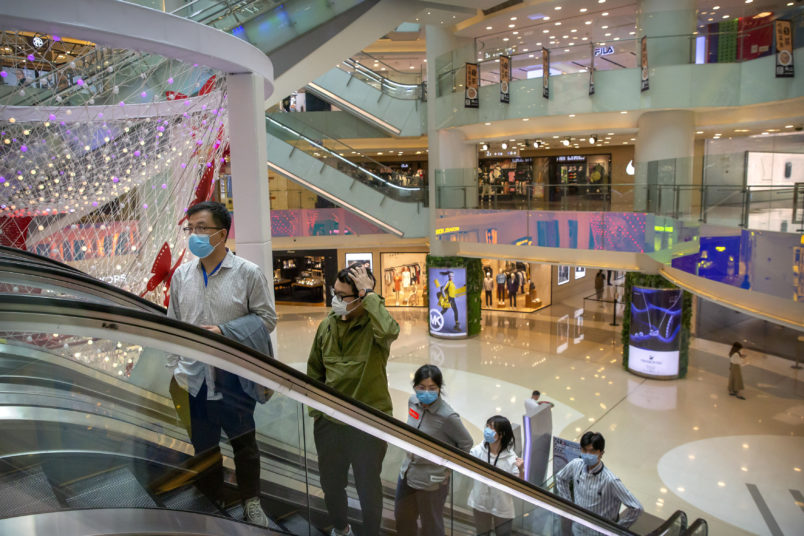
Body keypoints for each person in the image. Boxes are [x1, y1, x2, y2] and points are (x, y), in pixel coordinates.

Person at [166, 201, 276, 527]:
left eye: (202, 228)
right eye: (191, 229)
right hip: (193, 380)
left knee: (245, 445)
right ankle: (212, 501)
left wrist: (225, 331)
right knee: (204, 448)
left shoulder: (247, 274)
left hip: (234, 379)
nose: (194, 235)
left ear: (222, 233)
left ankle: (251, 501)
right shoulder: (182, 277)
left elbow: (267, 319)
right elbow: (173, 324)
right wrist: (174, 368)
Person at [307, 264, 399, 536]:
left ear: (360, 298)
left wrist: (370, 294)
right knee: (331, 484)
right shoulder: (326, 326)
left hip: (368, 425)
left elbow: (390, 330)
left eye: (343, 296)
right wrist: (319, 412)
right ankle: (341, 529)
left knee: (368, 487)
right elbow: (315, 371)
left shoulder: (374, 328)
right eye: (334, 293)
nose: (336, 300)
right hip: (330, 425)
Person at [396, 365, 473, 536]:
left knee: (431, 527)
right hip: (407, 473)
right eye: (421, 387)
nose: (426, 392)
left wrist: (447, 470)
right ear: (415, 386)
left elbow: (466, 443)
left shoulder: (447, 416)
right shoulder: (412, 402)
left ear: (439, 389)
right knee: (403, 519)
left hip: (431, 483)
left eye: (432, 388)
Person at [556, 432, 642, 534]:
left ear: (601, 453)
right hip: (578, 528)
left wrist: (618, 529)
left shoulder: (610, 480)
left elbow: (636, 508)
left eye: (592, 451)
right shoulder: (576, 465)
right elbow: (560, 478)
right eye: (584, 450)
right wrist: (568, 504)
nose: (587, 455)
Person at [467, 416, 524, 536]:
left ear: (502, 434)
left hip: (502, 507)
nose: (487, 430)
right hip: (480, 503)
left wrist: (521, 470)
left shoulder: (511, 458)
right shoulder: (478, 451)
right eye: (487, 426)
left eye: (491, 428)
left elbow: (519, 488)